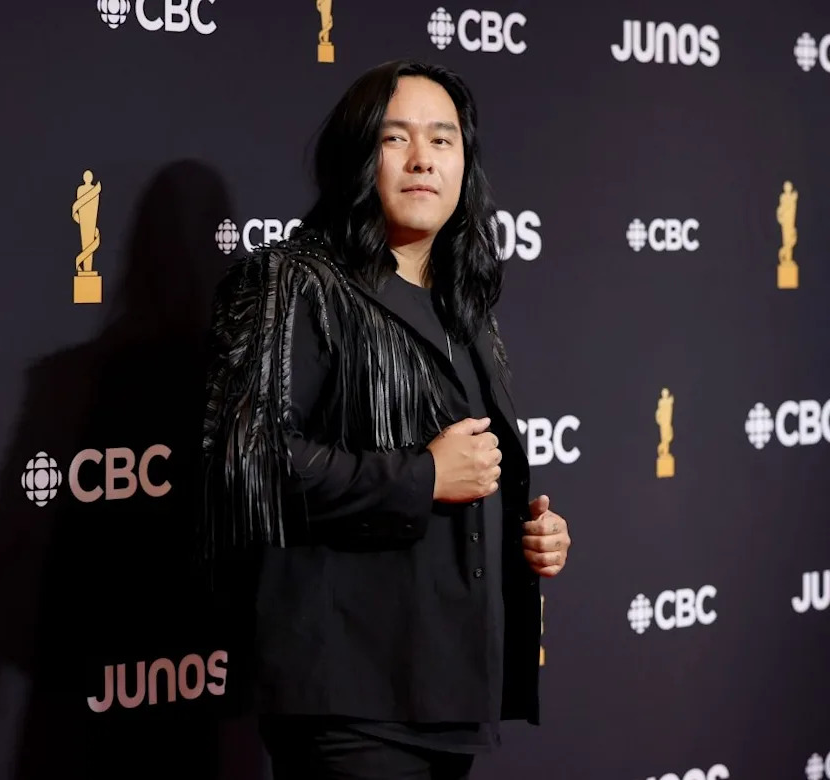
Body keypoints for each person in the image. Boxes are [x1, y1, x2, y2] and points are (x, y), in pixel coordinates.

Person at [199, 59, 572, 780]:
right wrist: (423, 475)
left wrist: (524, 534)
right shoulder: (292, 281)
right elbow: (247, 464)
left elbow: (468, 481)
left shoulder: (465, 306)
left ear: (465, 164)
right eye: (395, 138)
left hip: (449, 691)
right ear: (356, 156)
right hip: (348, 695)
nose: (423, 158)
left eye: (443, 139)